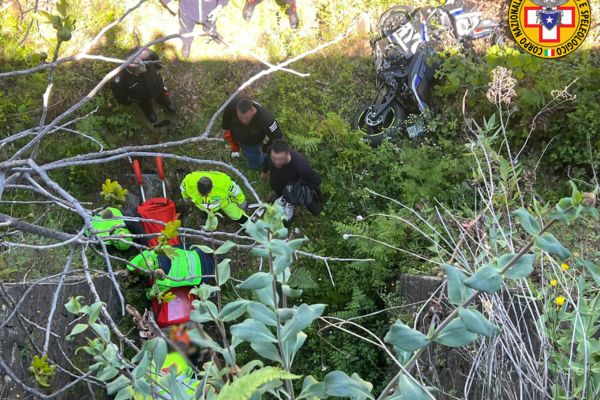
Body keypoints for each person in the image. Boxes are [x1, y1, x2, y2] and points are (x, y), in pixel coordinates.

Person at [111, 47, 176, 123]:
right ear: (131, 72)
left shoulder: (144, 53)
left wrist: (159, 66)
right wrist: (126, 102)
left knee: (162, 94)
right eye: (140, 73)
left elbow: (155, 57)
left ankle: (166, 103)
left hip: (156, 83)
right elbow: (119, 94)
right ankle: (149, 111)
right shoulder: (119, 77)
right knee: (144, 104)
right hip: (141, 95)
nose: (144, 71)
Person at [262, 139, 322, 222]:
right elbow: (267, 160)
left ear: (288, 154)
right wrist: (264, 171)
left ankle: (293, 207)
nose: (276, 162)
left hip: (291, 190)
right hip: (278, 188)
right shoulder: (271, 152)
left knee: (312, 208)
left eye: (280, 159)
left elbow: (316, 181)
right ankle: (281, 198)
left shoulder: (300, 167)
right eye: (274, 158)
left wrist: (298, 190)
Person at [222, 96, 283, 170]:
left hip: (252, 143)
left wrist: (265, 148)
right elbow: (226, 115)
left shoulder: (266, 119)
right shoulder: (234, 103)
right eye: (240, 118)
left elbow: (277, 137)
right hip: (235, 133)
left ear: (253, 111)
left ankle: (263, 161)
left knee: (254, 163)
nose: (243, 121)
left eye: (246, 118)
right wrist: (225, 128)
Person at [127, 246, 215, 291]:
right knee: (181, 247)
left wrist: (146, 294)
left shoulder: (162, 282)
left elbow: (152, 294)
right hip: (203, 254)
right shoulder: (165, 249)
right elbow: (148, 252)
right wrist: (129, 267)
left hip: (206, 277)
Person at [161, 0, 229, 57]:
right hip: (187, 12)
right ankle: (187, 42)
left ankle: (211, 32)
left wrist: (219, 6)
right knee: (186, 28)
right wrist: (168, 2)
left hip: (210, 11)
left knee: (211, 24)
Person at [180, 171, 248, 223]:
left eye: (206, 194)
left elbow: (236, 191)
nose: (204, 196)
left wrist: (241, 201)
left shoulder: (223, 184)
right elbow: (183, 187)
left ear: (212, 187)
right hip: (203, 206)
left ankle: (248, 225)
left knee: (236, 215)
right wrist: (185, 197)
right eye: (202, 194)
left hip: (223, 203)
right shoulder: (189, 181)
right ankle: (206, 213)